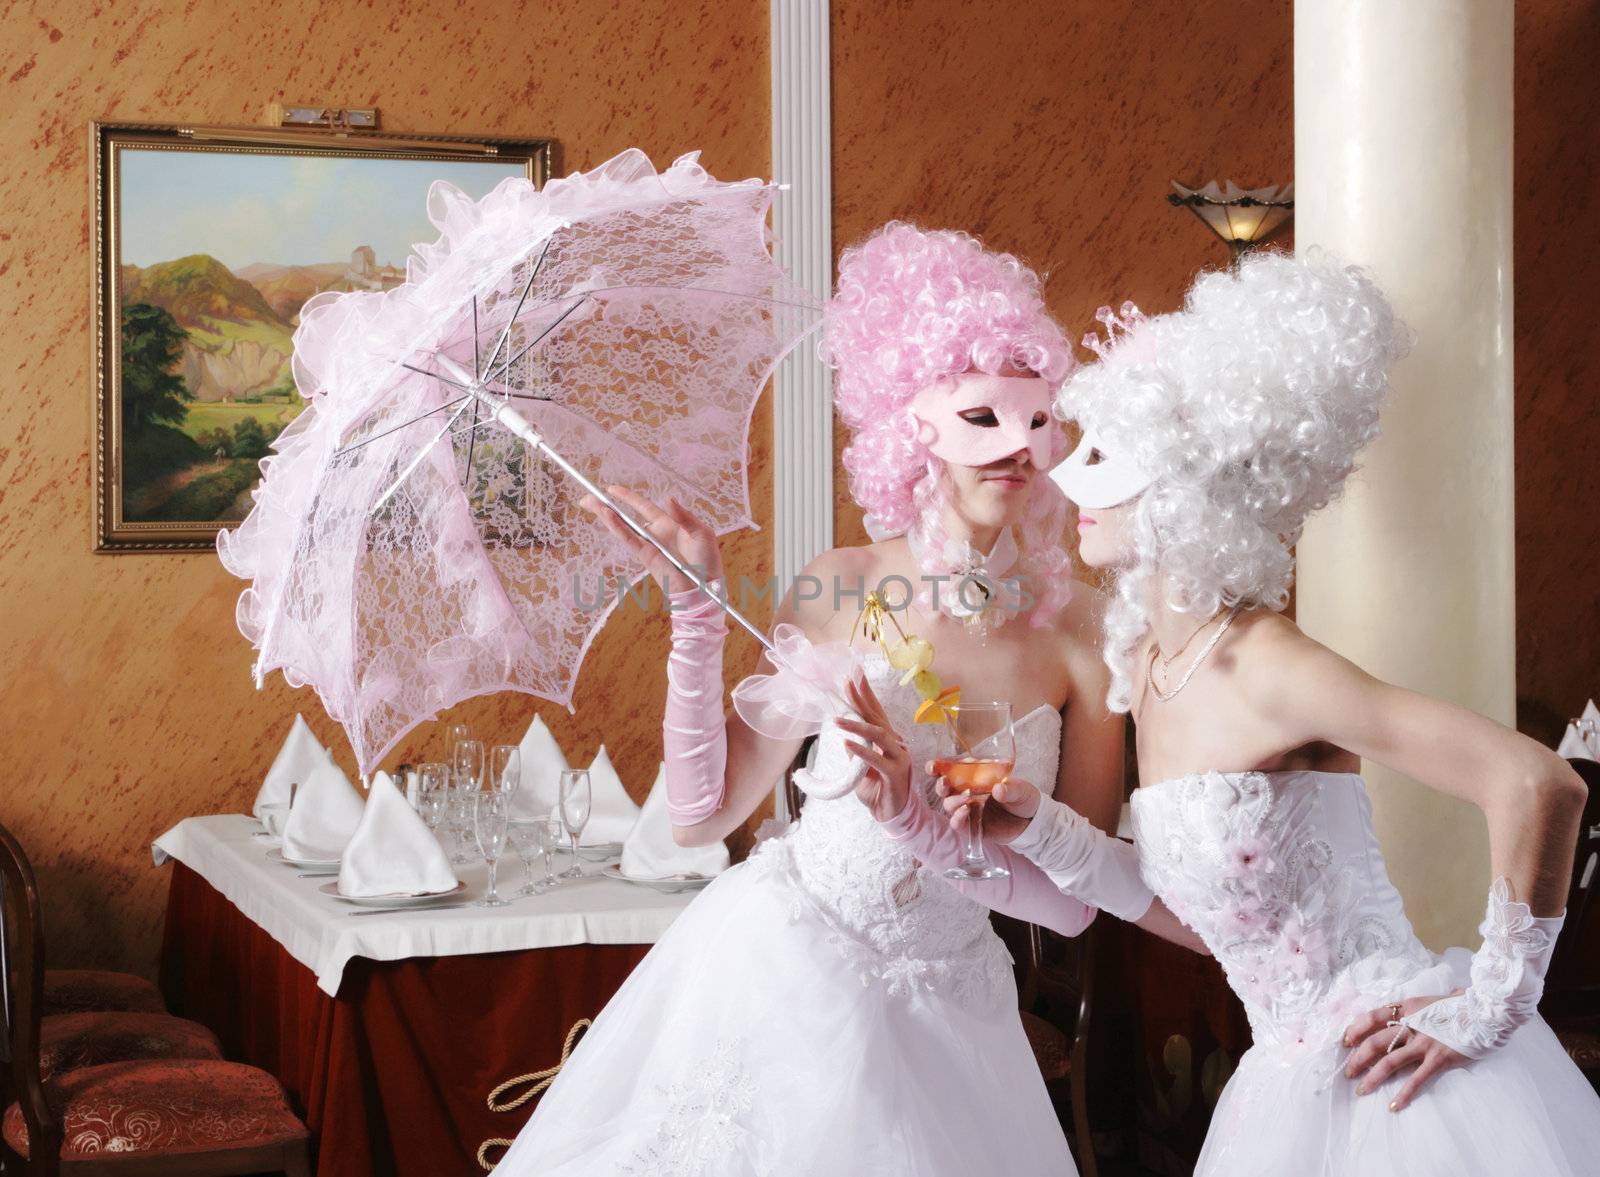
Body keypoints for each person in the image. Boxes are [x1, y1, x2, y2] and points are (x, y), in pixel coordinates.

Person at [490, 222, 1179, 1176]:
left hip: (956, 1009)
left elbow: (1074, 907)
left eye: (1039, 418)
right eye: (980, 415)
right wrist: (694, 615)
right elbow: (703, 813)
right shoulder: (842, 585)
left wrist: (933, 830)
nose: (1015, 445)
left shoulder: (1085, 637)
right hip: (783, 970)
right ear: (912, 424)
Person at [951, 250, 1600, 1175]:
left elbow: (1539, 781)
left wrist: (1490, 1005)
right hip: (1286, 1079)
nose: (1066, 480)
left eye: (1105, 455)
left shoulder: (1268, 662)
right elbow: (1196, 917)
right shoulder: (1151, 666)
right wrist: (1038, 830)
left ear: (1187, 481)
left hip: (1395, 1087)